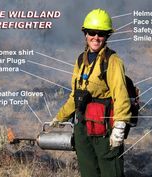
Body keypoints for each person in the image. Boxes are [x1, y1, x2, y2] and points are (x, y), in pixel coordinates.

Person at [50, 8, 131, 177]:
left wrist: (120, 126)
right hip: (82, 129)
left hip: (104, 129)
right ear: (85, 34)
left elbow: (121, 94)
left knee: (111, 173)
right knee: (88, 173)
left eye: (101, 33)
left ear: (107, 36)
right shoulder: (81, 60)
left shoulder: (112, 61)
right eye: (92, 32)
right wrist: (59, 118)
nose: (96, 37)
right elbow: (75, 95)